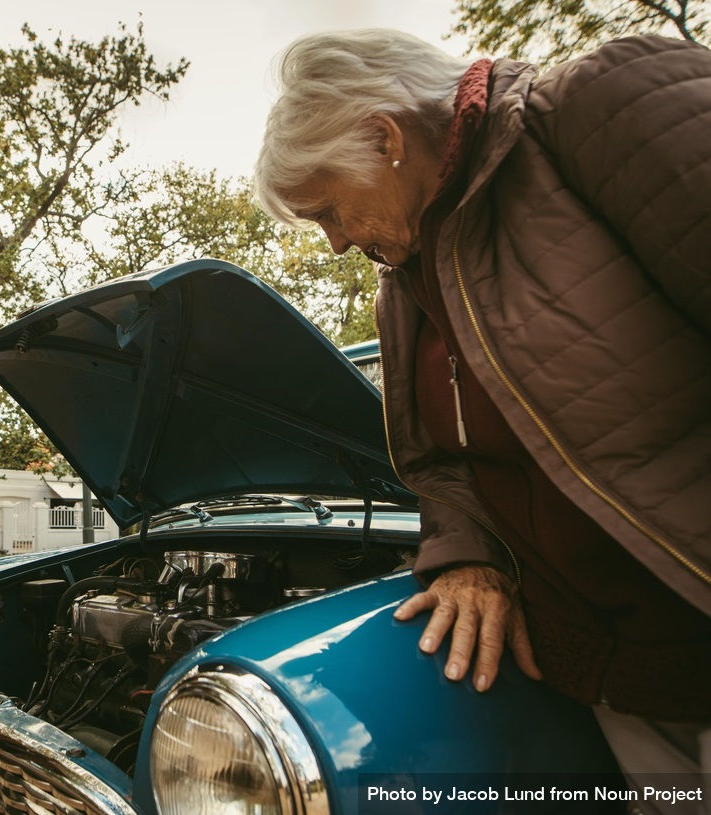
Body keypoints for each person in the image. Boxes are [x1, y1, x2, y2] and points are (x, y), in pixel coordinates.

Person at [254, 29, 711, 811]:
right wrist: (467, 553)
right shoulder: (404, 284)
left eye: (327, 210)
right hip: (615, 665)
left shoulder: (597, 104)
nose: (332, 243)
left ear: (382, 136)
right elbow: (440, 461)